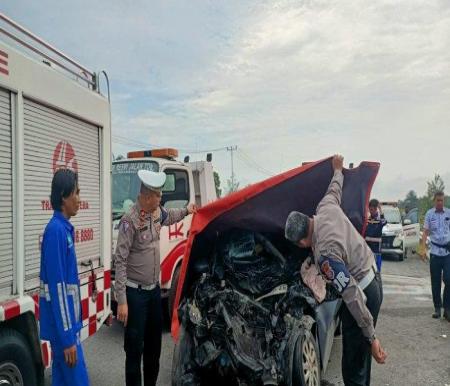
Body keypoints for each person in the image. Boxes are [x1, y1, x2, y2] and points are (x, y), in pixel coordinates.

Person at [285, 155, 386, 386]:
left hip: (364, 293)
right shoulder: (325, 206)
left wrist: (372, 337)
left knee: (353, 363)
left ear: (301, 243)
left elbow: (351, 293)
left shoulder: (325, 257)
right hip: (372, 276)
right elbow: (335, 188)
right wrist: (338, 170)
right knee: (360, 360)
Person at [114, 169, 197, 386]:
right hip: (135, 295)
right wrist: (121, 300)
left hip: (152, 293)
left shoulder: (157, 213)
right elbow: (120, 261)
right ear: (148, 196)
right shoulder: (129, 221)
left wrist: (188, 211)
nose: (161, 200)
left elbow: (171, 216)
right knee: (134, 350)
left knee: (154, 348)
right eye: (159, 196)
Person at [39, 168, 89, 386]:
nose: (79, 199)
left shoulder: (62, 229)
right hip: (64, 335)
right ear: (63, 196)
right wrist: (68, 338)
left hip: (65, 331)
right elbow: (58, 289)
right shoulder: (56, 232)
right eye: (76, 193)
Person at [419, 191, 450, 321]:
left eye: (442, 200)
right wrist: (422, 249)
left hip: (447, 251)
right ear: (434, 201)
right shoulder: (429, 214)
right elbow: (425, 232)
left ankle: (447, 308)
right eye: (438, 200)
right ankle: (437, 308)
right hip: (435, 252)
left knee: (448, 280)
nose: (440, 203)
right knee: (435, 282)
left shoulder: (448, 213)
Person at [365, 199, 387, 272]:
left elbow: (384, 221)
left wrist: (380, 209)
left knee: (377, 269)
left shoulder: (380, 219)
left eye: (371, 209)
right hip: (368, 249)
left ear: (376, 209)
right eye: (369, 209)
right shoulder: (367, 219)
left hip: (376, 248)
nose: (370, 211)